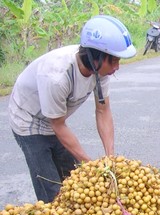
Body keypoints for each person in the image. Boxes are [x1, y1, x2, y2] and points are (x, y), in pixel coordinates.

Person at [8, 15, 136, 203]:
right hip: (28, 121)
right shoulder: (57, 76)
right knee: (51, 189)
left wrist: (110, 158)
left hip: (54, 119)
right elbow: (58, 125)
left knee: (74, 179)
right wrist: (91, 164)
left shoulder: (100, 70)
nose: (117, 67)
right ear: (95, 56)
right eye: (114, 61)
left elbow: (103, 110)